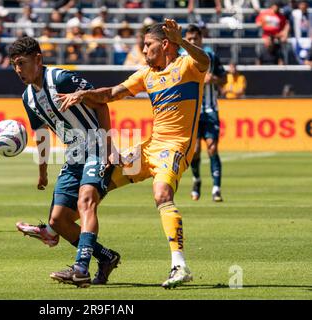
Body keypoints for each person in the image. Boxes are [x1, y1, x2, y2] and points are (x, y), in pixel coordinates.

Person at [57, 19, 210, 289]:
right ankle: (93, 254)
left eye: (148, 45)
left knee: (162, 193)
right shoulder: (146, 75)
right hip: (149, 147)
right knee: (97, 182)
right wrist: (84, 94)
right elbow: (112, 94)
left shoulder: (187, 66)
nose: (143, 50)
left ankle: (179, 265)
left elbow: (205, 61)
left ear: (165, 45)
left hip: (175, 147)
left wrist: (182, 41)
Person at [9, 36, 121, 288]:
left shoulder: (62, 79)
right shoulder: (28, 97)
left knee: (86, 203)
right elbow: (41, 135)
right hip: (73, 155)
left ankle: (80, 269)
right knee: (57, 221)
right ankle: (106, 257)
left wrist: (108, 148)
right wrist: (42, 171)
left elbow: (101, 104)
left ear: (38, 59)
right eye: (14, 65)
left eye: (21, 63)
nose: (18, 70)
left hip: (96, 147)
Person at [184, 24, 226, 202]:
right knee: (194, 151)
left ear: (201, 39)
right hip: (192, 110)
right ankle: (197, 180)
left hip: (210, 109)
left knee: (212, 147)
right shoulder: (181, 58)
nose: (193, 41)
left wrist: (214, 79)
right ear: (186, 39)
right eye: (190, 39)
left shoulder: (211, 57)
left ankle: (216, 188)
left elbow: (224, 79)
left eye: (196, 39)